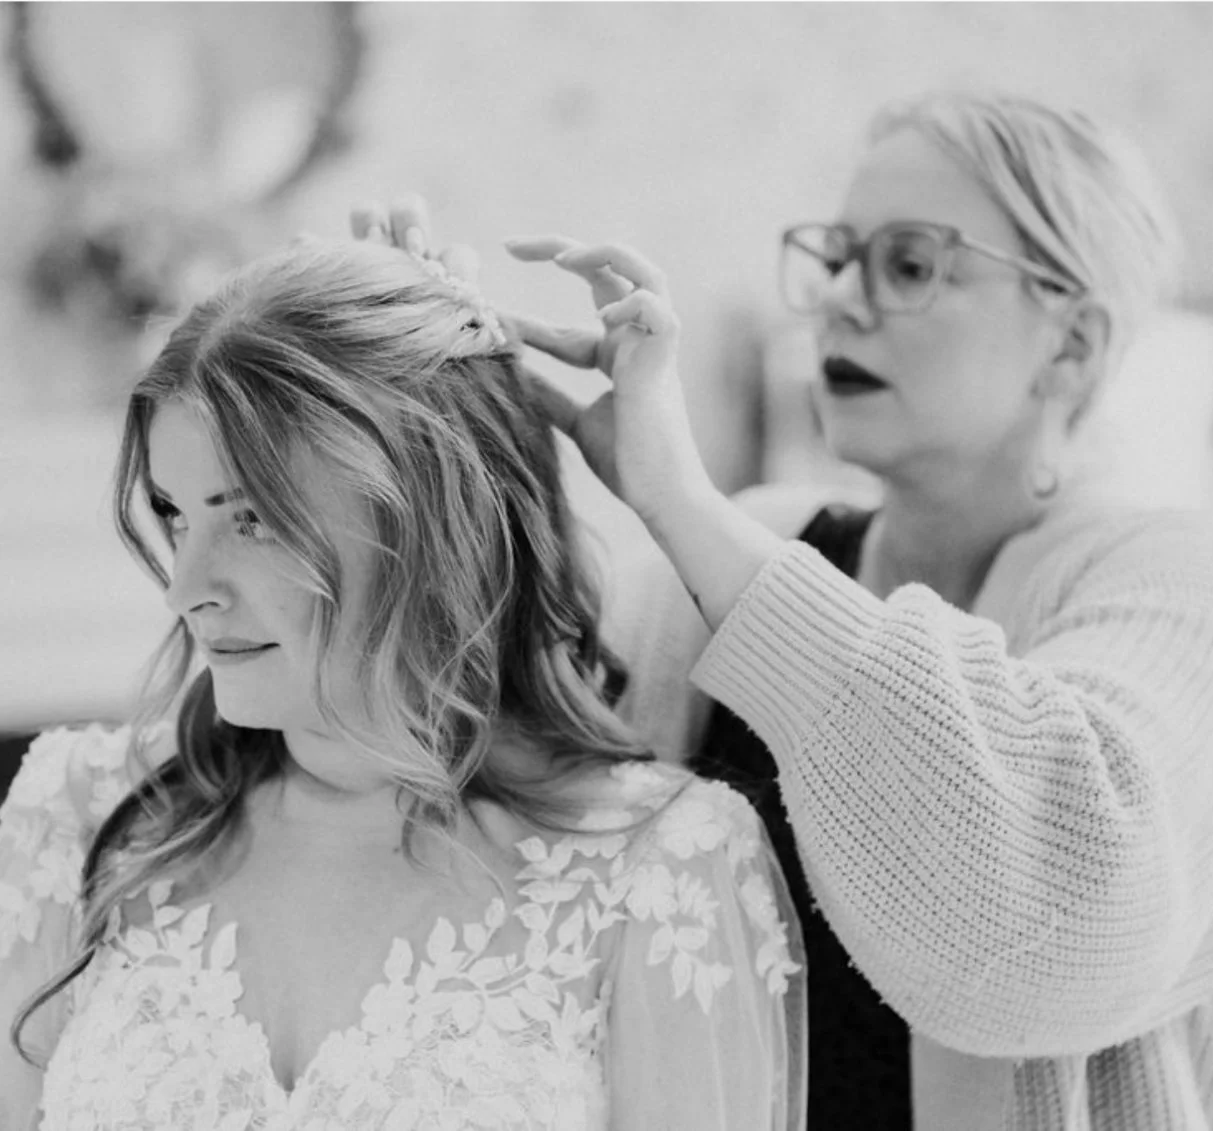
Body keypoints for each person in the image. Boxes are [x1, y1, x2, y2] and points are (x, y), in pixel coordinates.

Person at [363, 89, 1213, 1128]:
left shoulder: (1193, 580)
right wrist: (422, 417)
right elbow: (501, 799)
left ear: (1071, 344)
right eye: (838, 259)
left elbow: (1057, 909)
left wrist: (680, 501)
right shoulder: (734, 558)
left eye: (908, 265)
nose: (839, 303)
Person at [0, 239, 806, 1131]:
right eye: (174, 515)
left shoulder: (658, 869)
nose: (188, 588)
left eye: (254, 519)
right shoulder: (77, 818)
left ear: (432, 523)